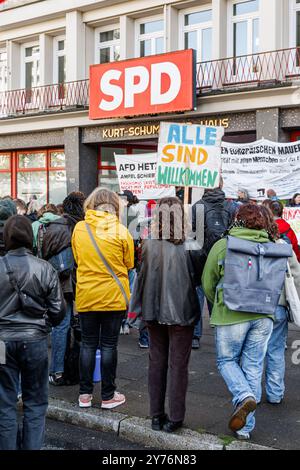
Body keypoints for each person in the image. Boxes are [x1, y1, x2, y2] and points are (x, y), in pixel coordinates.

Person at [202, 204, 288, 440]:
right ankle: (245, 429)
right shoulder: (274, 247)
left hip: (231, 314)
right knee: (253, 367)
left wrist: (218, 303)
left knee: (226, 361)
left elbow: (207, 282)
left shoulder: (223, 245)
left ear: (236, 220)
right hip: (264, 316)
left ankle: (243, 397)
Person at [130, 197, 203, 433]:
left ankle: (156, 415)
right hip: (181, 311)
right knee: (178, 365)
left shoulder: (149, 245)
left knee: (157, 362)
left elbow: (141, 278)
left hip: (153, 310)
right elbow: (198, 279)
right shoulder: (192, 244)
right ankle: (175, 417)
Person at [0, 215, 65, 450]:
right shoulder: (45, 268)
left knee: (4, 402)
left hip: (2, 343)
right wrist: (43, 325)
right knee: (35, 403)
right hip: (35, 340)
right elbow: (58, 311)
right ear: (30, 237)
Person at [72, 188, 134, 409]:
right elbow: (129, 264)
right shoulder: (121, 230)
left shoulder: (80, 229)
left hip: (87, 294)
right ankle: (108, 396)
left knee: (88, 344)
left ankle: (84, 395)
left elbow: (78, 259)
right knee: (109, 345)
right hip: (113, 296)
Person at [37, 192, 85, 386]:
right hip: (69, 282)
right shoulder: (75, 227)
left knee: (60, 325)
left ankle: (57, 369)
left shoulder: (52, 225)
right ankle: (59, 370)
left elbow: (44, 252)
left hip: (53, 280)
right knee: (65, 325)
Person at [260, 205, 300, 405]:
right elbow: (297, 275)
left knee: (254, 351)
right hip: (279, 303)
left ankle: (251, 393)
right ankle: (275, 393)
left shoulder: (248, 244)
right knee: (276, 349)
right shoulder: (284, 245)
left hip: (255, 305)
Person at [191, 179, 235, 349]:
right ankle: (219, 332)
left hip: (201, 257)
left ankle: (195, 335)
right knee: (219, 295)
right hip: (224, 257)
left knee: (198, 295)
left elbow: (193, 234)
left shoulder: (197, 206)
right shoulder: (231, 207)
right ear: (222, 186)